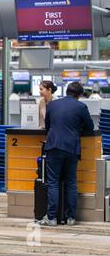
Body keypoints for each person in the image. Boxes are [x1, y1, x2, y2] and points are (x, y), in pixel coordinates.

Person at [38, 82, 94, 226]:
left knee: (53, 182)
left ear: (67, 91)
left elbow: (48, 126)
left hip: (54, 146)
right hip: (71, 148)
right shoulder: (81, 107)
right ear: (79, 95)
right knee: (71, 182)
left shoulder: (53, 105)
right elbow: (90, 128)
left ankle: (51, 218)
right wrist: (76, 130)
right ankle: (71, 218)